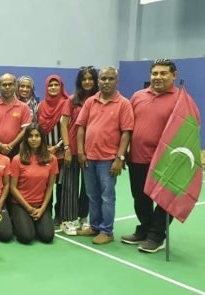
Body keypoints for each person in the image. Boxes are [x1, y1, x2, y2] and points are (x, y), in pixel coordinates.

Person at [122, 59, 192, 253]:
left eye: (163, 73)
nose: (158, 77)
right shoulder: (137, 96)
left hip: (166, 162)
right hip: (138, 158)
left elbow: (188, 131)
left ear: (174, 75)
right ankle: (144, 229)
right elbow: (127, 125)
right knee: (140, 198)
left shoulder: (181, 100)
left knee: (164, 201)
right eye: (155, 74)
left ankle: (156, 236)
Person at [75, 66, 134, 245]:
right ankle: (94, 226)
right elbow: (81, 128)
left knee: (107, 196)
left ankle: (106, 231)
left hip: (108, 160)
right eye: (103, 79)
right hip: (89, 158)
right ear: (98, 81)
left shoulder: (124, 104)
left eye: (110, 79)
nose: (106, 82)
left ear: (117, 81)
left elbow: (126, 133)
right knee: (92, 194)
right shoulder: (90, 102)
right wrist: (81, 152)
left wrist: (119, 158)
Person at [58, 66, 99, 235]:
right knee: (70, 186)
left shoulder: (99, 100)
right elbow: (63, 124)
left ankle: (83, 217)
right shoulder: (72, 100)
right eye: (84, 79)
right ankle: (67, 220)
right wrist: (67, 148)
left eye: (91, 78)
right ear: (79, 82)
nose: (87, 81)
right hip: (73, 149)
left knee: (88, 188)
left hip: (92, 151)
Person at [9, 123, 58, 244]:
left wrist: (42, 209)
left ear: (42, 138)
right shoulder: (17, 159)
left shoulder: (52, 159)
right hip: (21, 204)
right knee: (26, 237)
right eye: (30, 136)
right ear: (26, 139)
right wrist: (29, 208)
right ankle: (16, 220)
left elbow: (50, 186)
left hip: (40, 205)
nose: (34, 139)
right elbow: (12, 187)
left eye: (37, 136)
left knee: (47, 237)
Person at [38, 74, 69, 224]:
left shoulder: (67, 104)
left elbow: (69, 129)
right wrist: (44, 148)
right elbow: (37, 130)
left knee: (61, 185)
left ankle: (59, 214)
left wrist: (57, 147)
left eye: (56, 85)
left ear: (61, 86)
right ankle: (47, 211)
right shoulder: (41, 106)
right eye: (50, 85)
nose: (53, 88)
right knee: (46, 185)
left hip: (62, 153)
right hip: (45, 153)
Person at [0, 73, 31, 159]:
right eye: (4, 85)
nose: (7, 87)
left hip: (17, 150)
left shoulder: (24, 107)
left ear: (15, 86)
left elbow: (25, 130)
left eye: (10, 84)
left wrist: (11, 145)